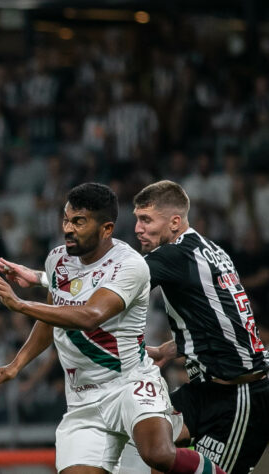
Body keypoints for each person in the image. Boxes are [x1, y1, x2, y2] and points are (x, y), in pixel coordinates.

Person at [0, 183, 226, 474]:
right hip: (82, 401)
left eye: (79, 221)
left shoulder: (130, 265)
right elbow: (52, 316)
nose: (69, 228)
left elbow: (90, 315)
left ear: (106, 229)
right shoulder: (57, 260)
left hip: (130, 385)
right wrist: (16, 365)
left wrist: (20, 304)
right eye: (66, 220)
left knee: (158, 454)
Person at [129, 180, 269, 474]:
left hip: (240, 394)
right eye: (137, 219)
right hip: (205, 390)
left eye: (146, 220)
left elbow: (113, 290)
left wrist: (46, 281)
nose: (137, 228)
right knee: (155, 448)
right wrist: (175, 347)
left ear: (174, 221)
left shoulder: (174, 256)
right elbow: (221, 321)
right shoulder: (210, 250)